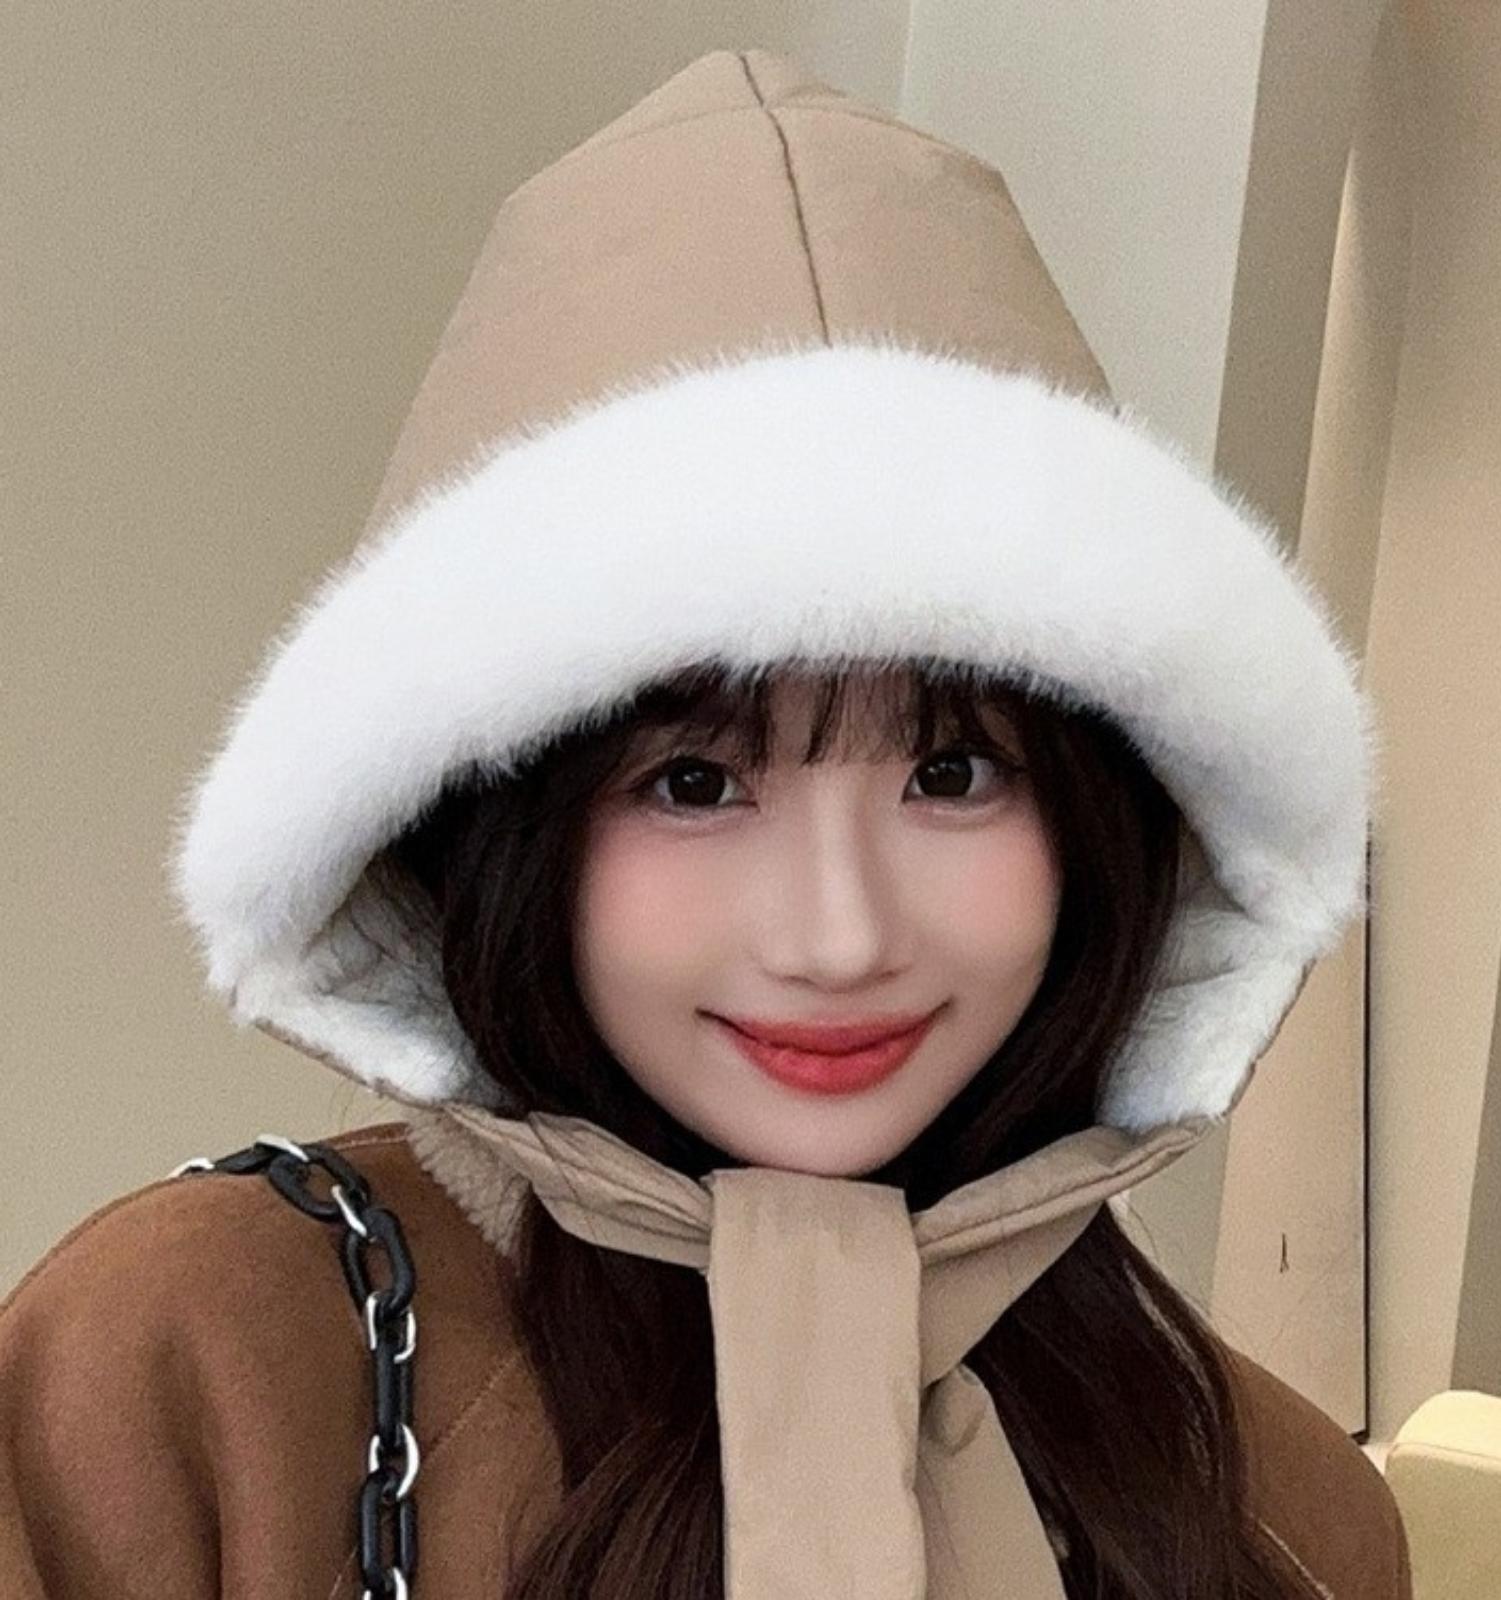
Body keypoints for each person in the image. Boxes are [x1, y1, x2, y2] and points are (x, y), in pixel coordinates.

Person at [0, 45, 1410, 1600]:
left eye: (953, 774)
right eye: (695, 782)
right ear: (498, 824)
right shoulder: (186, 1384)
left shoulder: (1289, 1511)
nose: (840, 938)